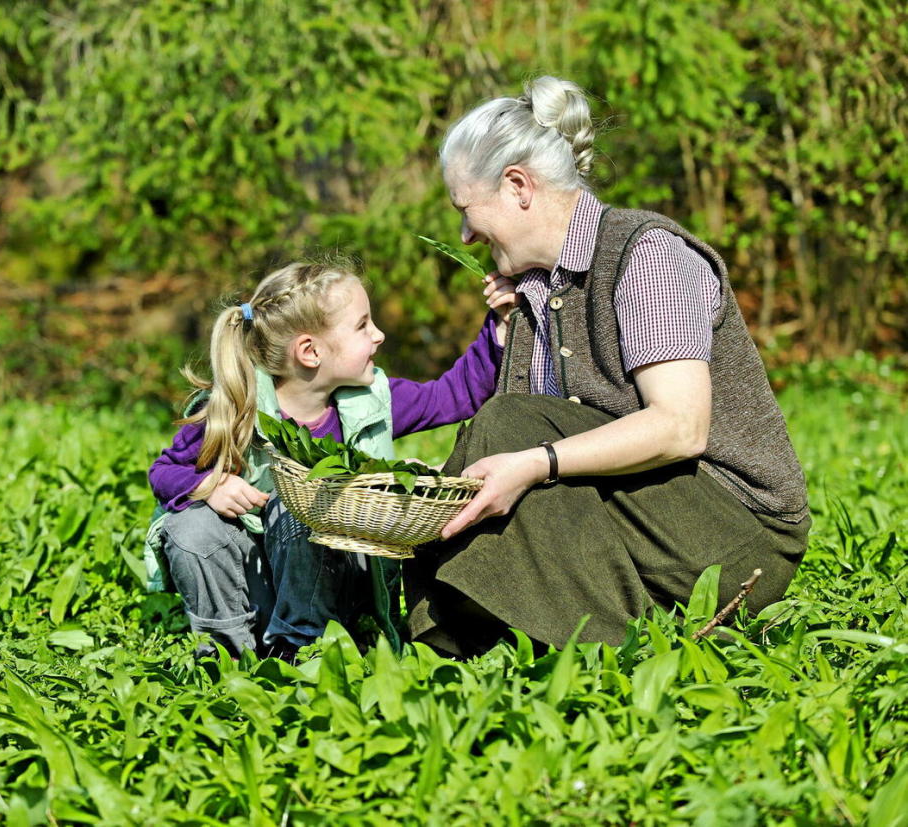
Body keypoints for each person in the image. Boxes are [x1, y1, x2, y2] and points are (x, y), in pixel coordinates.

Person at [405, 76, 811, 655]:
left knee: (512, 427)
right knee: (500, 434)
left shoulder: (647, 256)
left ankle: (608, 646)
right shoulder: (531, 296)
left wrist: (535, 461)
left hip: (737, 541)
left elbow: (679, 427)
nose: (466, 235)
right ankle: (466, 636)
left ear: (518, 186)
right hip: (639, 528)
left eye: (467, 211)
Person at [147, 258, 502, 659]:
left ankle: (302, 650)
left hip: (333, 595)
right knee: (190, 528)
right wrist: (209, 485)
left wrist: (500, 327)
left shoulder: (371, 402)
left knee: (302, 496)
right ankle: (226, 657)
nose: (379, 335)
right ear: (310, 351)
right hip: (255, 590)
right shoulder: (234, 410)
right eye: (362, 326)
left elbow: (453, 395)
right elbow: (163, 472)